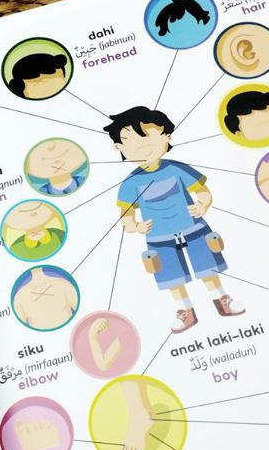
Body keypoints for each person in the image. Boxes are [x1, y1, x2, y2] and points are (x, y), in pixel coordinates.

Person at [104, 106, 244, 333]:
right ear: (119, 147)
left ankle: (222, 299)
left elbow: (204, 193)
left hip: (194, 229)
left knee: (208, 267)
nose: (142, 146)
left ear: (167, 136)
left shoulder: (177, 169)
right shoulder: (130, 183)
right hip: (158, 239)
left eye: (148, 137)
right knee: (172, 277)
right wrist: (137, 226)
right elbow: (126, 218)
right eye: (131, 141)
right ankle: (185, 311)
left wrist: (202, 205)